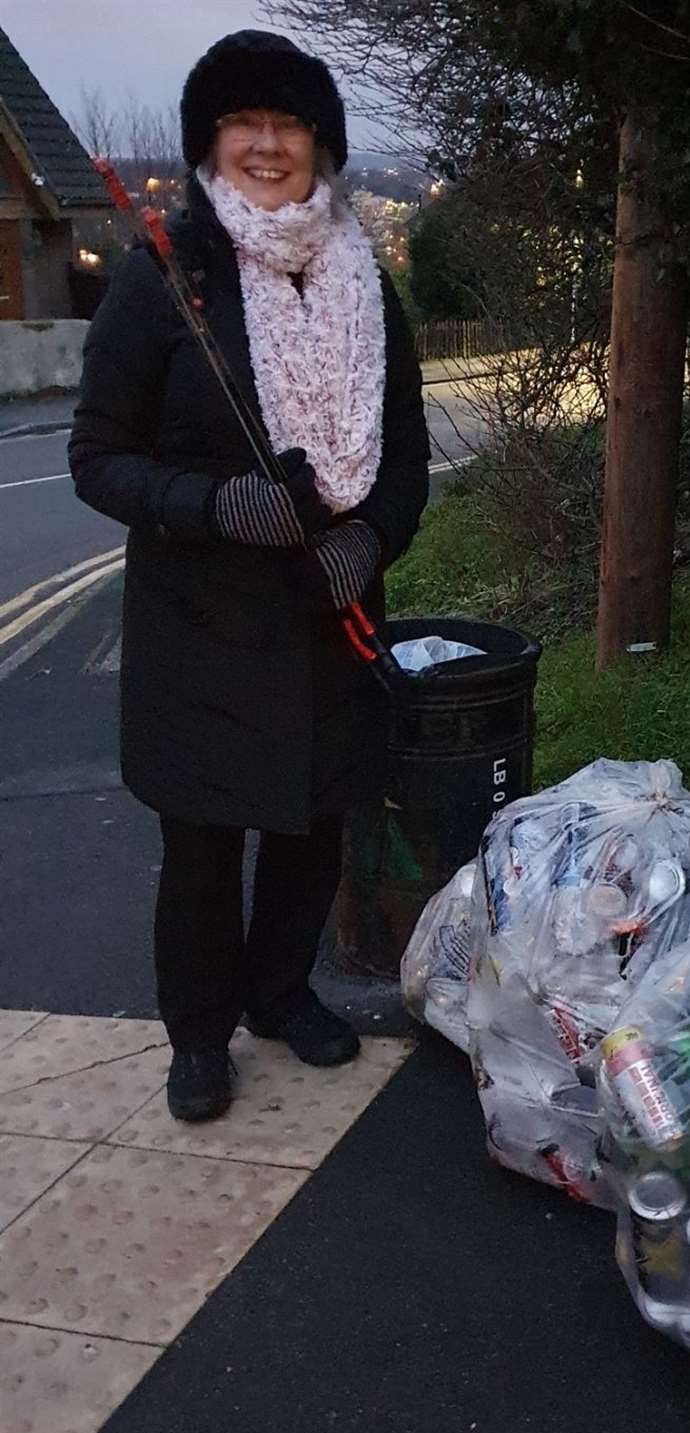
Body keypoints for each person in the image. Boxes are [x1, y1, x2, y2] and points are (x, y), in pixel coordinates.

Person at [69, 32, 429, 1123]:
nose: (268, 144)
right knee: (203, 843)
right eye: (244, 126)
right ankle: (199, 1036)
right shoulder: (162, 279)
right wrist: (213, 505)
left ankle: (280, 994)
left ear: (322, 143)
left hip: (328, 612)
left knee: (314, 825)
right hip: (200, 627)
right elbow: (97, 456)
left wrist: (370, 541)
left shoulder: (365, 279)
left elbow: (405, 454)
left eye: (289, 125)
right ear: (212, 144)